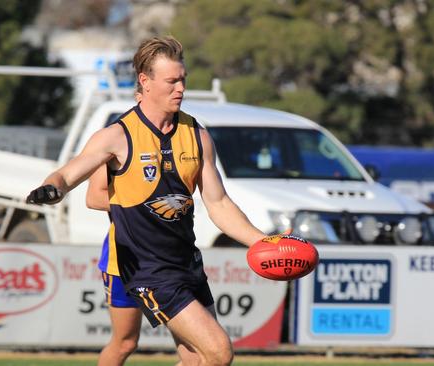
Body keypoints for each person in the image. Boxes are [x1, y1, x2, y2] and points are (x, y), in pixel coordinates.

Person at [26, 36, 270, 366]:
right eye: (172, 81)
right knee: (215, 350)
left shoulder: (197, 135)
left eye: (183, 79)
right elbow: (68, 176)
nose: (181, 88)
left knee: (198, 359)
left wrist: (263, 242)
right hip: (146, 268)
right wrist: (52, 188)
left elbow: (219, 204)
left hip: (186, 263)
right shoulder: (117, 136)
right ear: (145, 81)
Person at [87, 164, 142, 366]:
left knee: (199, 353)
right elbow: (94, 197)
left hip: (173, 257)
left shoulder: (189, 137)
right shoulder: (116, 140)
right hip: (123, 260)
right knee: (125, 343)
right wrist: (146, 205)